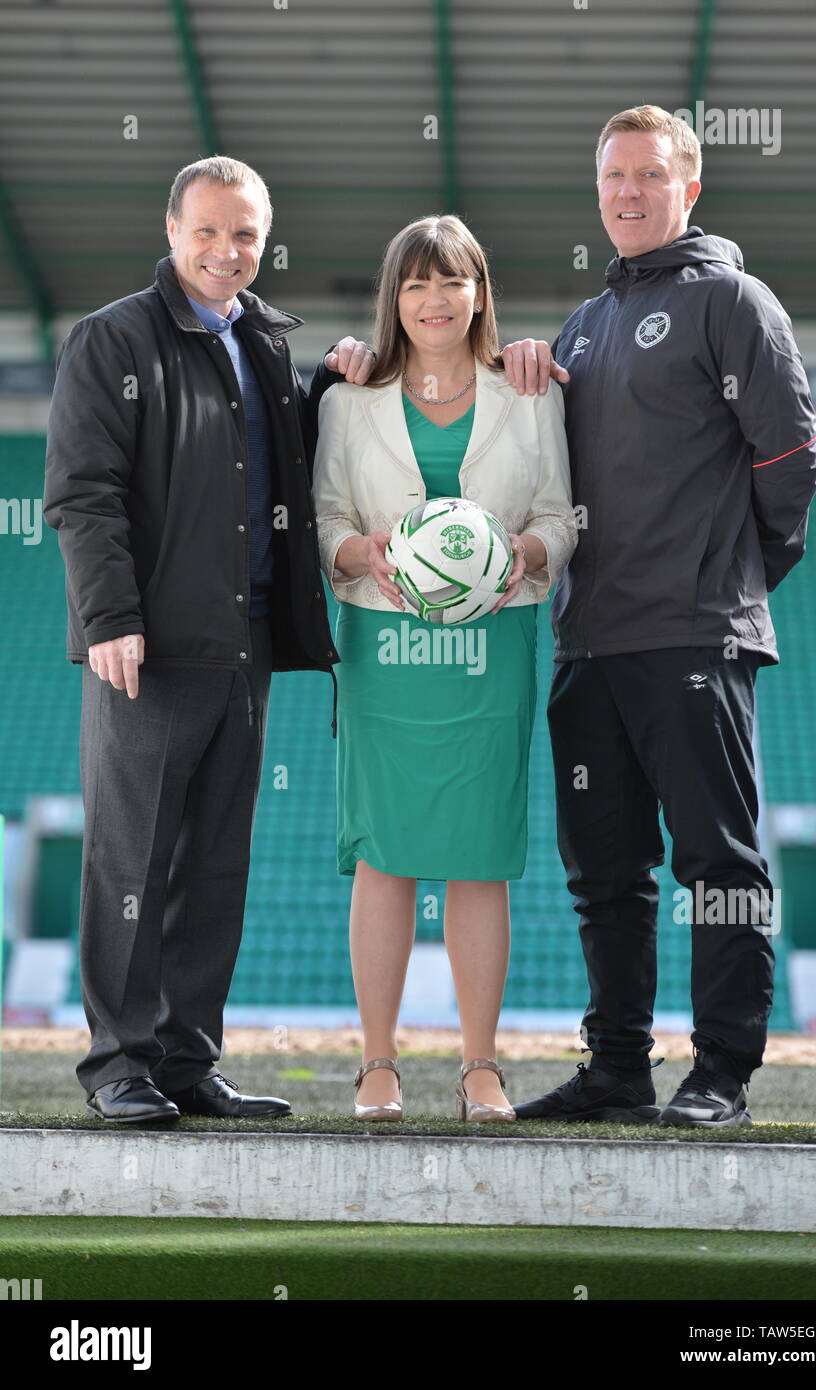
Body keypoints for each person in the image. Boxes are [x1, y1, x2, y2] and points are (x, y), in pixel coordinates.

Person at [501, 105, 816, 1128]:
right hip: (586, 640)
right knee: (604, 873)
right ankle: (617, 1069)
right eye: (612, 178)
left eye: (647, 174)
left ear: (689, 186)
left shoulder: (731, 299)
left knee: (717, 863)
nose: (627, 193)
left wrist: (729, 573)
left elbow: (791, 455)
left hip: (691, 632)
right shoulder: (586, 323)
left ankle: (720, 1070)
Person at [43, 155, 375, 1124]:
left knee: (214, 866)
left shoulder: (264, 341)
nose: (227, 251)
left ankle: (186, 1061)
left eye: (245, 235)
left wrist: (330, 386)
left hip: (244, 650)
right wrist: (110, 618)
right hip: (149, 651)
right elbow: (81, 492)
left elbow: (275, 464)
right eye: (208, 231)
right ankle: (118, 1064)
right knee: (131, 864)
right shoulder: (113, 340)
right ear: (172, 229)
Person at [313, 214, 579, 1122]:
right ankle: (377, 1065)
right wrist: (363, 553)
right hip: (383, 645)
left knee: (478, 859)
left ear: (478, 293)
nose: (435, 300)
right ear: (394, 297)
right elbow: (322, 522)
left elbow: (562, 516)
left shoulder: (529, 392)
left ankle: (479, 1069)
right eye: (416, 283)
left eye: (452, 282)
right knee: (383, 859)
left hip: (491, 641)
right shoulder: (348, 399)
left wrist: (520, 554)